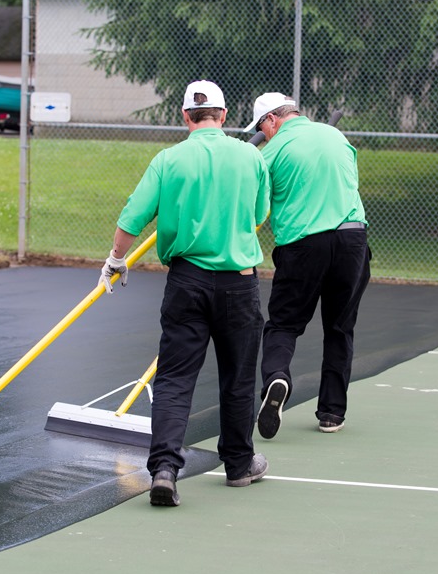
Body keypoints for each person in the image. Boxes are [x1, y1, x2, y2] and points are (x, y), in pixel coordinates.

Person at [99, 80, 271, 507]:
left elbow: (132, 216)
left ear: (185, 117)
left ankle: (164, 470)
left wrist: (116, 259)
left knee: (175, 380)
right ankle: (238, 465)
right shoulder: (251, 156)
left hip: (186, 281)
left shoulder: (168, 159)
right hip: (239, 280)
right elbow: (259, 214)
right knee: (238, 377)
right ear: (225, 116)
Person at [245, 93, 371, 438]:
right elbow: (349, 185)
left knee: (284, 325)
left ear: (271, 120)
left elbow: (257, 210)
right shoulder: (337, 137)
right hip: (352, 239)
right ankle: (332, 413)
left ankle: (277, 378)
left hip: (303, 245)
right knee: (340, 327)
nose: (263, 134)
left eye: (261, 128)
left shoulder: (267, 154)